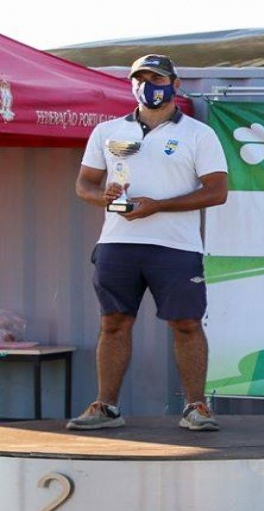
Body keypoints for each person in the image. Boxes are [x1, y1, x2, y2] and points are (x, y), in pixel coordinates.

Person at [67, 54, 229, 432]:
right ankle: (106, 407)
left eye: (156, 78)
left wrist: (160, 206)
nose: (148, 85)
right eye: (140, 78)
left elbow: (217, 191)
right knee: (113, 323)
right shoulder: (107, 132)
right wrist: (103, 197)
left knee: (186, 324)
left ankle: (196, 407)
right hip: (118, 243)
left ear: (174, 84)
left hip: (176, 247)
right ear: (132, 85)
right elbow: (84, 185)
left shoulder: (198, 134)